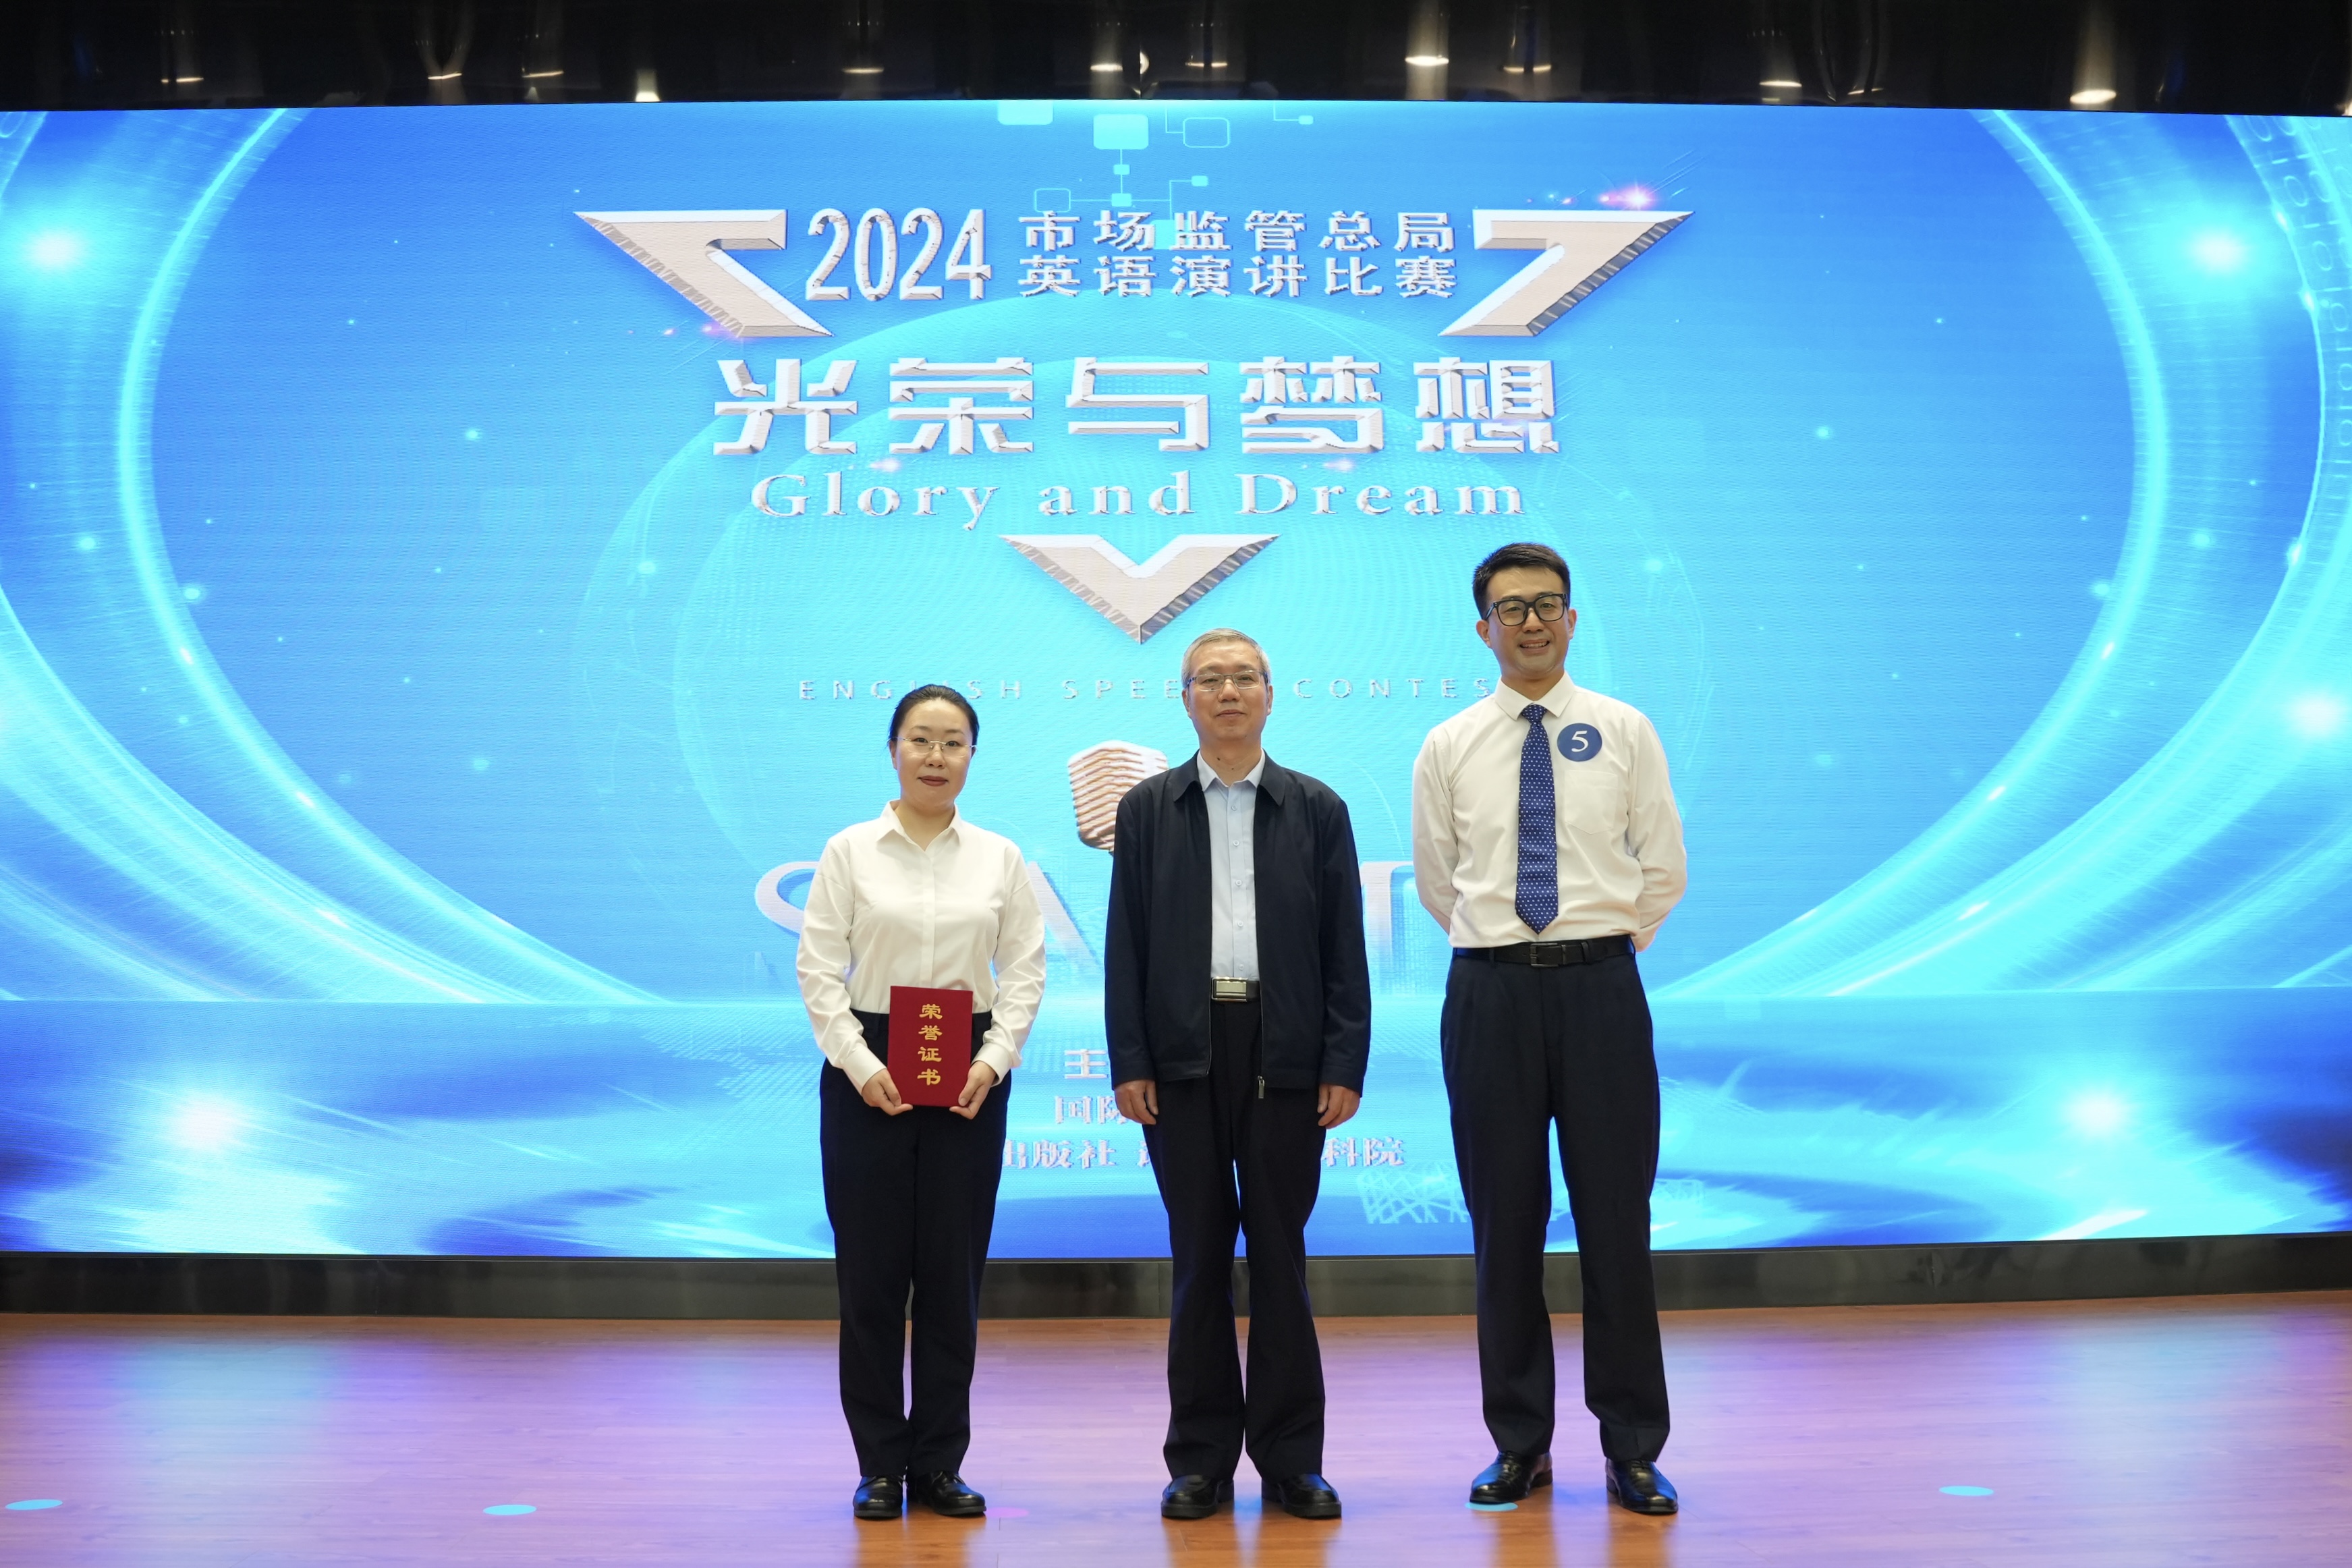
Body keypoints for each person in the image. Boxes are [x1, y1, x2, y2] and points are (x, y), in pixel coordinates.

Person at [1410, 542, 1690, 1517]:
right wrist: (1511, 951)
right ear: (1481, 627)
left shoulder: (1624, 729)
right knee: (1504, 1225)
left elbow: (1662, 865)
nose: (1530, 622)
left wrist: (1597, 946)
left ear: (1572, 620)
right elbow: (1440, 880)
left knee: (1616, 1222)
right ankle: (1519, 1442)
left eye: (1547, 604)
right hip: (1489, 994)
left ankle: (1633, 1447)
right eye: (1511, 608)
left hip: (1600, 992)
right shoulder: (1449, 743)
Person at [1104, 627, 1372, 1522]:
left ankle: (1293, 1460)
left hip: (1285, 1048)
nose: (1228, 691)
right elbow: (1125, 945)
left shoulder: (1316, 807)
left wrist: (1342, 1060)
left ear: (1270, 693)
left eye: (1244, 677)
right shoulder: (1148, 809)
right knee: (1197, 1259)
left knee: (1281, 1258)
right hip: (1181, 1052)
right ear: (1184, 697)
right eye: (1209, 678)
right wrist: (1130, 1060)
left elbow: (1344, 947)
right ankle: (1200, 1460)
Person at [795, 683, 1046, 1522]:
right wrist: (859, 1062)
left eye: (953, 741)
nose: (936, 756)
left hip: (967, 1073)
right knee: (871, 1279)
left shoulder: (1000, 856)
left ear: (973, 755)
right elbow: (818, 968)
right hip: (867, 1069)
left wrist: (995, 1059)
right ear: (893, 749)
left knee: (951, 1277)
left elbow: (1025, 969)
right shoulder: (849, 850)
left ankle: (940, 1462)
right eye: (920, 739)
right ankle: (879, 1464)